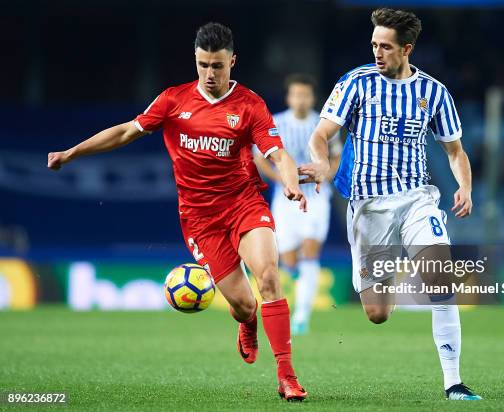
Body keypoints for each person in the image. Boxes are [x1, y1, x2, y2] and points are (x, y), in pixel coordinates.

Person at [47, 22, 308, 401]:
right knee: (243, 303)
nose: (210, 74)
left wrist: (291, 183)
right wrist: (72, 153)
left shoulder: (250, 105)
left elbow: (278, 154)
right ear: (195, 60)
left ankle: (287, 376)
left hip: (243, 203)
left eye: (217, 66)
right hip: (200, 219)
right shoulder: (173, 100)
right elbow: (125, 132)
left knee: (268, 276)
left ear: (232, 62)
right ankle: (248, 321)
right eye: (203, 65)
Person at [299, 8, 482, 400]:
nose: (377, 53)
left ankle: (454, 383)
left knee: (440, 277)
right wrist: (319, 163)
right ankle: (394, 270)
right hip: (368, 207)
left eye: (385, 47)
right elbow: (321, 135)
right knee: (377, 313)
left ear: (407, 49)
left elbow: (455, 151)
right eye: (374, 45)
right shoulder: (355, 83)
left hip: (417, 199)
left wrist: (464, 186)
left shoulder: (433, 93)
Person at [254, 74, 341, 335]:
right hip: (286, 199)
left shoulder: (324, 125)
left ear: (312, 98)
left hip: (316, 197)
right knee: (289, 258)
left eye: (305, 95)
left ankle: (302, 316)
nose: (301, 100)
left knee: (310, 251)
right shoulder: (276, 123)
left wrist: (325, 174)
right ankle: (296, 275)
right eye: (296, 95)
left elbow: (336, 157)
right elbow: (259, 158)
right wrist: (281, 180)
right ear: (289, 97)